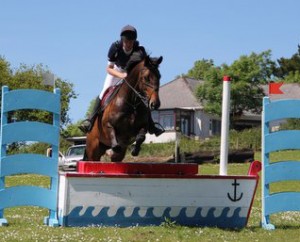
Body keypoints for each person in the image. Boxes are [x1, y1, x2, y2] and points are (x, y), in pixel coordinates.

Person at [80, 25, 164, 136]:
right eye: (126, 41)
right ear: (122, 40)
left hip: (131, 74)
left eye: (131, 41)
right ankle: (90, 120)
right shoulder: (115, 47)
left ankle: (151, 125)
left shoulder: (140, 50)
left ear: (134, 41)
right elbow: (108, 69)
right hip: (116, 71)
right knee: (103, 93)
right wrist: (121, 75)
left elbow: (144, 68)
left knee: (142, 96)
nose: (128, 44)